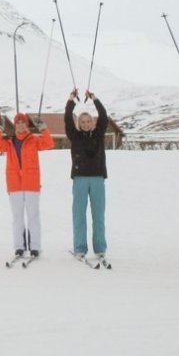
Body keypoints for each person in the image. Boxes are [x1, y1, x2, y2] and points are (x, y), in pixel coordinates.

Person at [0, 112, 54, 259]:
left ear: (26, 125)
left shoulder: (33, 140)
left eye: (23, 122)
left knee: (33, 216)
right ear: (15, 125)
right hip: (14, 185)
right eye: (17, 122)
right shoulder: (9, 141)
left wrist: (43, 128)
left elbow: (49, 143)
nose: (20, 125)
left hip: (31, 184)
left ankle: (35, 247)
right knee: (17, 217)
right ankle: (19, 246)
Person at [64, 90, 109, 261]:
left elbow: (104, 117)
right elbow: (68, 119)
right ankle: (80, 248)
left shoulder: (98, 134)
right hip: (80, 179)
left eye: (88, 121)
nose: (85, 123)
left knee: (98, 215)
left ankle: (100, 249)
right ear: (79, 123)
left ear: (92, 122)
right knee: (79, 215)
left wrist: (95, 99)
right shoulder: (74, 136)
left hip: (97, 178)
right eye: (82, 121)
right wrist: (71, 100)